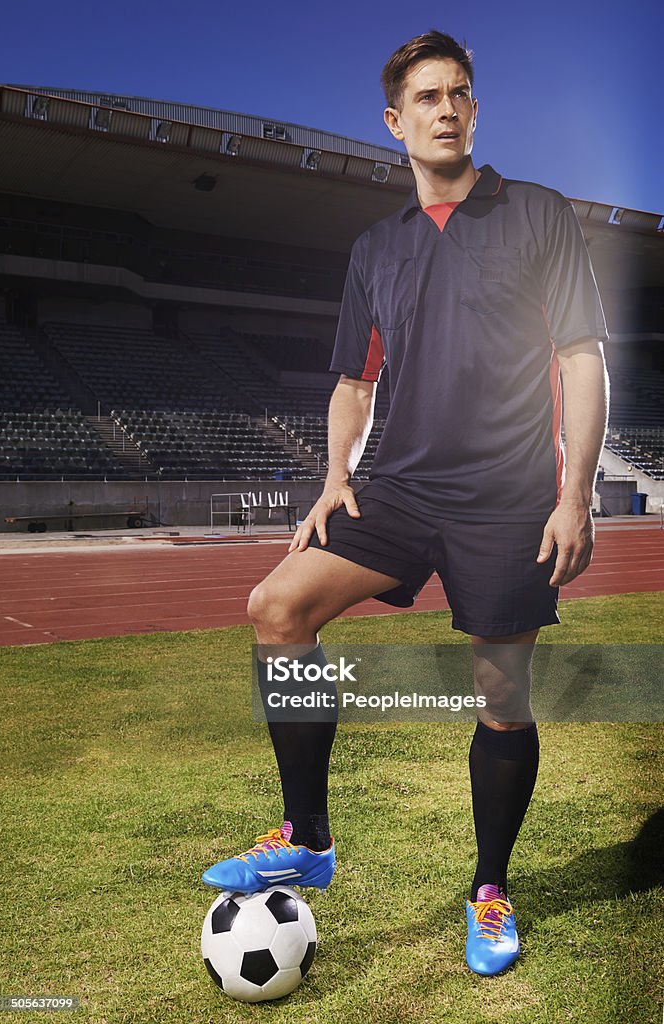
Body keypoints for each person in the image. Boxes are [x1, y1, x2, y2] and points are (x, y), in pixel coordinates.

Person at [202, 29, 609, 976]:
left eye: (460, 92)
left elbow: (582, 356)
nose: (447, 108)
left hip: (508, 499)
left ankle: (491, 890)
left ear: (476, 109)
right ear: (396, 120)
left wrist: (575, 494)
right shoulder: (375, 248)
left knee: (501, 699)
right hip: (399, 487)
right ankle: (308, 836)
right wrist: (336, 475)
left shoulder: (540, 214)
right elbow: (352, 380)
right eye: (427, 96)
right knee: (277, 606)